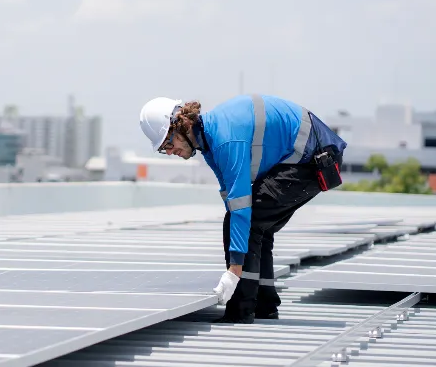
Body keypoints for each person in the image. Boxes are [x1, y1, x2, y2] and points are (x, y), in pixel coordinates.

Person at [139, 94, 347, 323]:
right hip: (304, 157)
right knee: (257, 226)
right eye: (163, 149)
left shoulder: (224, 140)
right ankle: (264, 304)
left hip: (313, 159)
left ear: (182, 126)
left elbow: (240, 207)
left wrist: (233, 272)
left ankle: (241, 309)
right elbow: (230, 196)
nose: (169, 152)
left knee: (251, 222)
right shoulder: (210, 142)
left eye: (168, 143)